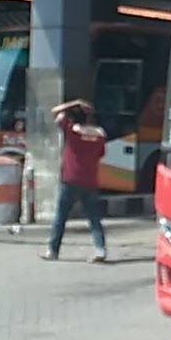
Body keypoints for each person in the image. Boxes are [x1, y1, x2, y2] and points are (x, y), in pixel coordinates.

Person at [41, 99, 109, 263]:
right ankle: (100, 249)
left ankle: (53, 250)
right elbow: (101, 154)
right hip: (90, 181)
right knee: (94, 218)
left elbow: (55, 112)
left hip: (70, 179)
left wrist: (74, 103)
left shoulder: (71, 131)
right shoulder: (100, 135)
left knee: (61, 217)